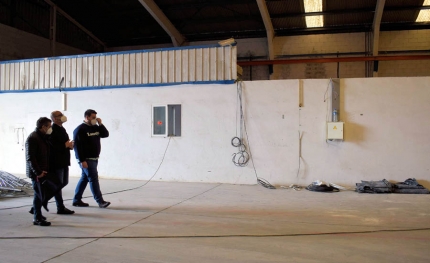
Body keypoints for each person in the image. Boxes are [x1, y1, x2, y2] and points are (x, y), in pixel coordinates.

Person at [72, 109, 111, 208]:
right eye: (93, 117)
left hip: (94, 158)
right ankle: (100, 201)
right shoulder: (80, 129)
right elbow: (77, 147)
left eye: (95, 117)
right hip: (86, 159)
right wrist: (82, 161)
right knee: (93, 179)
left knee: (84, 179)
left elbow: (105, 134)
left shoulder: (95, 127)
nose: (94, 119)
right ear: (87, 117)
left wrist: (100, 124)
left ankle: (76, 200)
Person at [25, 117, 52, 226]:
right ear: (43, 127)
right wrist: (38, 172)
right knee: (38, 194)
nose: (50, 128)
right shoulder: (33, 138)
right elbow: (30, 158)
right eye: (49, 126)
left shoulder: (42, 137)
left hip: (43, 170)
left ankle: (38, 214)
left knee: (41, 194)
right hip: (37, 172)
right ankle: (37, 217)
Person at [49, 110, 75, 214]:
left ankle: (46, 198)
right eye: (60, 115)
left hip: (64, 160)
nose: (63, 116)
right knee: (58, 184)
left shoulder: (62, 129)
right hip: (57, 162)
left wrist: (69, 145)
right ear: (55, 119)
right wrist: (65, 145)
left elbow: (65, 143)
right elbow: (52, 146)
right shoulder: (52, 130)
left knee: (64, 182)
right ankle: (60, 207)